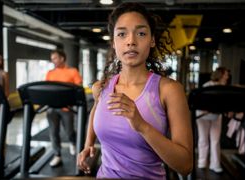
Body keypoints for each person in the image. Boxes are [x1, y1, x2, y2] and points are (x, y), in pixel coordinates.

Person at [77, 2, 193, 179]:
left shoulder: (169, 90)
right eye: (122, 34)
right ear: (114, 42)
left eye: (141, 33)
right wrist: (88, 143)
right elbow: (96, 111)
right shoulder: (101, 87)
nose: (131, 41)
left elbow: (185, 165)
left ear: (152, 40)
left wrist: (142, 126)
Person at [45, 49, 82, 167]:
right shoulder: (50, 73)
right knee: (53, 132)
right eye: (52, 58)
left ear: (62, 58)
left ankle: (73, 142)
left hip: (67, 108)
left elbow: (78, 87)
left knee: (69, 131)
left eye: (55, 58)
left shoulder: (72, 71)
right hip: (52, 108)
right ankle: (57, 155)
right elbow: (47, 89)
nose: (53, 60)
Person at [195, 67, 229, 173]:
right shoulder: (207, 86)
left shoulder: (223, 87)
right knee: (203, 139)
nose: (227, 76)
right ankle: (202, 162)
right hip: (203, 115)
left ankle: (215, 164)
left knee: (215, 140)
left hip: (216, 116)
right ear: (221, 75)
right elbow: (200, 102)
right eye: (226, 74)